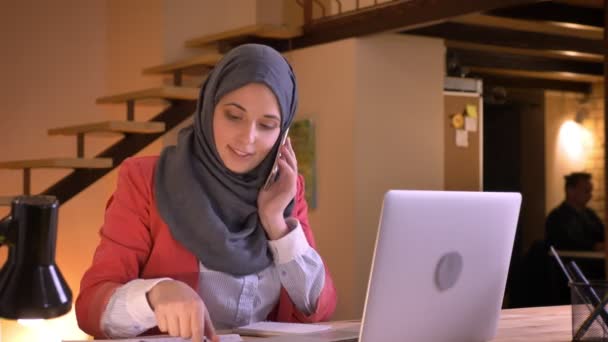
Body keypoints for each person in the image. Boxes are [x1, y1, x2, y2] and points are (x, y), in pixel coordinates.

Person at [75, 44, 337, 342]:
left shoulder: (285, 189)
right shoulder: (145, 180)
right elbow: (90, 307)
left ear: (283, 134)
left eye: (267, 125)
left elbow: (317, 309)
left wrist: (276, 223)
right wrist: (155, 295)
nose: (248, 138)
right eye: (234, 116)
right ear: (209, 108)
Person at [545, 172, 605, 251]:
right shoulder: (557, 217)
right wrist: (594, 246)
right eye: (586, 191)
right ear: (570, 191)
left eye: (590, 191)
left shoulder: (590, 214)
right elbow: (567, 243)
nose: (590, 195)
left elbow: (602, 234)